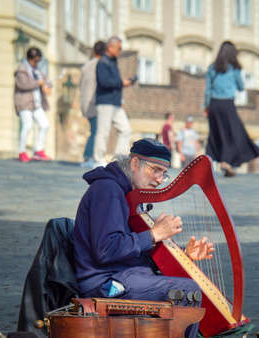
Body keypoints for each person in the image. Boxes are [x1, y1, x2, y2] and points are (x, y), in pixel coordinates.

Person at [73, 138, 214, 338]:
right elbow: (106, 250)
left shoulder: (128, 195)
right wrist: (154, 234)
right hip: (106, 284)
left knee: (184, 283)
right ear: (134, 164)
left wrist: (184, 255)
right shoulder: (108, 190)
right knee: (186, 290)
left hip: (126, 275)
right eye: (155, 170)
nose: (159, 179)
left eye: (163, 174)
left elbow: (133, 252)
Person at [204, 41, 259, 177]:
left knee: (215, 133)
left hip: (213, 104)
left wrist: (206, 106)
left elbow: (207, 90)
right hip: (227, 104)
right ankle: (226, 162)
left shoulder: (212, 68)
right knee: (233, 133)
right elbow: (241, 87)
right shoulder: (234, 69)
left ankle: (211, 162)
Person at [93, 36, 133, 167]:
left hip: (115, 103)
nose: (120, 51)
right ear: (110, 47)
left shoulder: (113, 62)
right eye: (119, 48)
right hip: (105, 102)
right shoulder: (102, 62)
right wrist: (122, 82)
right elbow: (103, 82)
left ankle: (118, 160)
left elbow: (114, 82)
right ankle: (98, 159)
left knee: (125, 129)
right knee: (103, 131)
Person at [14, 47, 52, 162]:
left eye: (38, 61)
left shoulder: (36, 70)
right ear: (31, 58)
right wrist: (38, 83)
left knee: (45, 124)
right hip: (24, 103)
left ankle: (39, 151)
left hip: (36, 103)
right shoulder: (21, 69)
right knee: (27, 126)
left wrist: (48, 85)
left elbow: (46, 80)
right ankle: (22, 151)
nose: (37, 63)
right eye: (36, 60)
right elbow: (23, 85)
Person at [80, 40, 106, 168]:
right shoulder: (100, 65)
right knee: (96, 131)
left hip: (85, 102)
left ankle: (88, 157)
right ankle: (88, 157)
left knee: (94, 130)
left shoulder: (86, 65)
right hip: (95, 102)